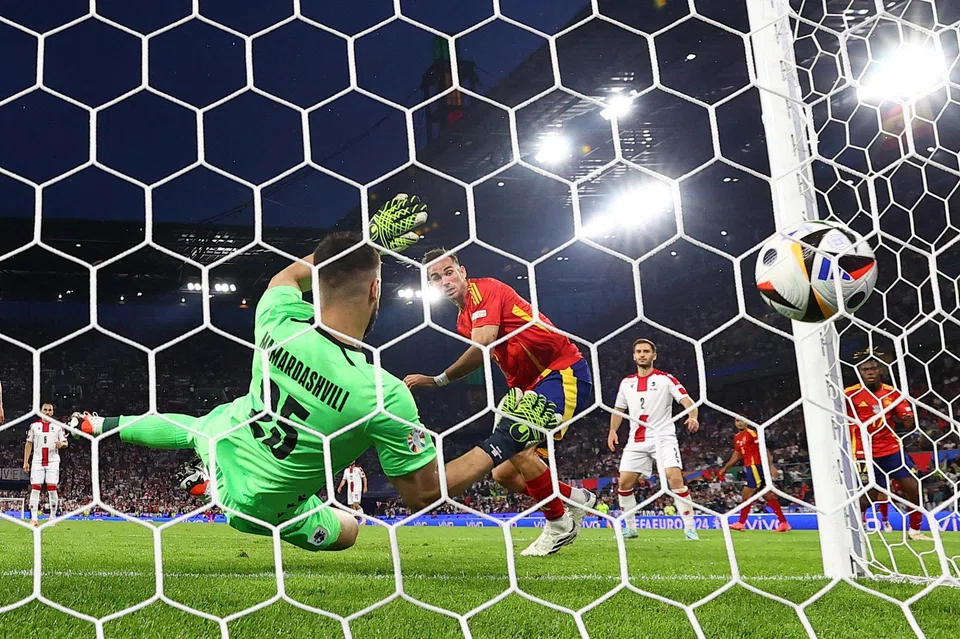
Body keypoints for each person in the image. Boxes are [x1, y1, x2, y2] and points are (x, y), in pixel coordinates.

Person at [70, 198, 557, 553]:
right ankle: (234, 492)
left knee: (196, 426)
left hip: (227, 438)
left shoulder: (276, 318)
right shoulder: (381, 393)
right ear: (374, 292)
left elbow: (285, 278)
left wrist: (366, 242)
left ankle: (105, 425)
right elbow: (424, 495)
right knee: (348, 532)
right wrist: (502, 442)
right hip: (264, 507)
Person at [403, 248, 596, 556]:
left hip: (562, 371)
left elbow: (482, 347)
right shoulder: (462, 321)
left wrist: (438, 380)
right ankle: (575, 499)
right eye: (436, 278)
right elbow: (503, 358)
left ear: (462, 271)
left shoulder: (487, 289)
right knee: (502, 474)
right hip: (525, 387)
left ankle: (559, 524)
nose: (445, 281)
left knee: (516, 443)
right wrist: (517, 393)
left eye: (448, 272)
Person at [607, 339, 701, 540]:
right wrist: (613, 430)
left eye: (646, 351)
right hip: (636, 440)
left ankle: (690, 528)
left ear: (654, 356)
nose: (642, 354)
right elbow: (618, 409)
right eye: (638, 351)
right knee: (624, 483)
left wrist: (692, 416)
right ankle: (630, 528)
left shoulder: (666, 379)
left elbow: (687, 400)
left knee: (674, 477)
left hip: (663, 437)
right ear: (633, 356)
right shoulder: (626, 383)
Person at [845, 353, 931, 541]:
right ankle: (846, 525)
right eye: (865, 369)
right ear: (859, 372)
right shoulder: (849, 393)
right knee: (871, 496)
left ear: (880, 370)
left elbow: (908, 422)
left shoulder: (893, 393)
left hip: (891, 449)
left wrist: (909, 420)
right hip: (863, 452)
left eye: (873, 369)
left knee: (914, 488)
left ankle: (915, 531)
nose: (869, 372)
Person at [717, 418, 791, 532]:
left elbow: (764, 450)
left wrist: (771, 467)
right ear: (735, 423)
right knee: (767, 495)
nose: (740, 423)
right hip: (750, 467)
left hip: (756, 466)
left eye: (742, 420)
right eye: (737, 421)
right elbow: (737, 455)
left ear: (747, 422)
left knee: (747, 494)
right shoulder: (737, 437)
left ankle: (741, 523)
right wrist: (726, 468)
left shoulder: (752, 434)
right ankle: (783, 523)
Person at [23, 403, 68, 526]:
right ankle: (34, 519)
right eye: (45, 410)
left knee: (52, 487)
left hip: (53, 461)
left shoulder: (58, 426)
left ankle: (52, 517)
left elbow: (65, 442)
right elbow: (28, 444)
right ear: (41, 411)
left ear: (52, 412)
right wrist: (26, 461)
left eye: (50, 410)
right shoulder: (34, 426)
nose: (47, 412)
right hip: (37, 461)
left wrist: (61, 444)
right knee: (35, 488)